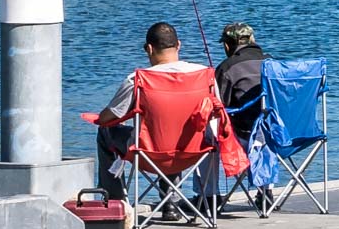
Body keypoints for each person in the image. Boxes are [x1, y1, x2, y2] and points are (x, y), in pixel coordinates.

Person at [95, 21, 207, 196]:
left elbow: (107, 118)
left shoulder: (138, 80)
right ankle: (171, 203)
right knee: (176, 129)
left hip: (148, 155)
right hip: (192, 152)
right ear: (179, 45)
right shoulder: (204, 75)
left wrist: (103, 117)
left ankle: (115, 202)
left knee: (105, 132)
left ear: (149, 48)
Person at [215, 22, 269, 132]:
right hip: (274, 129)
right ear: (252, 40)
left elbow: (219, 105)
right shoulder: (272, 62)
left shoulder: (227, 67)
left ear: (227, 45)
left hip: (245, 131)